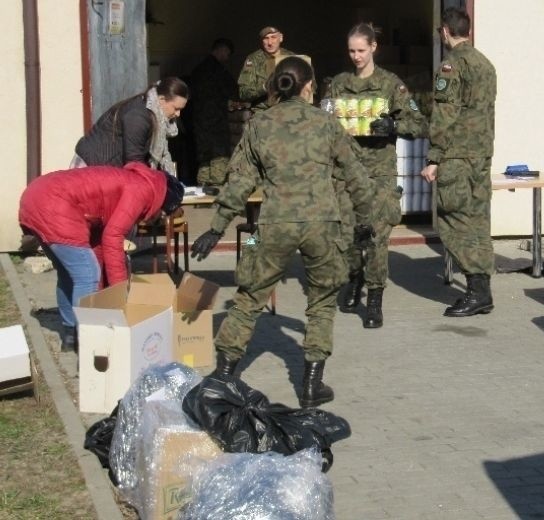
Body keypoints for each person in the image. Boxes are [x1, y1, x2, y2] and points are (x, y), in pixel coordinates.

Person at [190, 56, 374, 408]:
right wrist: (365, 222)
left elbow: (240, 179)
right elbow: (356, 176)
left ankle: (223, 376)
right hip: (324, 226)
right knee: (321, 303)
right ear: (309, 87)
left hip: (270, 227)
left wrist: (217, 227)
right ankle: (311, 385)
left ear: (275, 86)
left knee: (248, 298)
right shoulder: (326, 123)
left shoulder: (260, 124)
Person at [18, 163, 184, 352]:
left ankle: (71, 335)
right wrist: (120, 295)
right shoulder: (141, 190)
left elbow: (99, 236)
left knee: (68, 274)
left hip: (36, 196)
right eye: (162, 215)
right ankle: (88, 340)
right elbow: (113, 238)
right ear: (163, 201)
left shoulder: (134, 180)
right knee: (88, 275)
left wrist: (107, 294)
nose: (156, 219)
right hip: (55, 205)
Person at [329, 23, 427, 328]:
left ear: (373, 47)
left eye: (361, 50)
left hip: (378, 172)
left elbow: (419, 122)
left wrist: (394, 127)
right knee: (347, 233)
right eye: (351, 51)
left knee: (375, 235)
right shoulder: (339, 84)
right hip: (345, 169)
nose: (356, 56)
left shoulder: (390, 84)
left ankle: (374, 298)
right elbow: (325, 123)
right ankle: (354, 278)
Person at [420, 7, 497, 317]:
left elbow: (444, 114)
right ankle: (482, 290)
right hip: (480, 154)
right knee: (478, 220)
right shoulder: (486, 65)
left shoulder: (451, 65)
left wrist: (434, 157)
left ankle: (477, 290)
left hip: (457, 156)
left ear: (445, 32)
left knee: (455, 222)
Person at [73, 77, 190, 177]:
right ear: (162, 99)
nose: (178, 114)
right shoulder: (138, 116)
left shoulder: (155, 115)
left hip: (106, 169)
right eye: (176, 108)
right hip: (91, 167)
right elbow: (134, 162)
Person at [190, 38, 239, 187]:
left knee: (204, 162)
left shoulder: (197, 70)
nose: (227, 58)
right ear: (222, 50)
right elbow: (234, 91)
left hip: (199, 123)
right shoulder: (219, 70)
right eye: (227, 54)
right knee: (219, 159)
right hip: (216, 123)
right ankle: (216, 196)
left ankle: (202, 194)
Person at [237, 26, 295, 111]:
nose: (270, 42)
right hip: (263, 113)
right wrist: (264, 87)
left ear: (281, 38)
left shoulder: (293, 58)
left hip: (289, 111)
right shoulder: (253, 59)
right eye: (266, 38)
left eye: (273, 37)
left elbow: (310, 88)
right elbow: (243, 93)